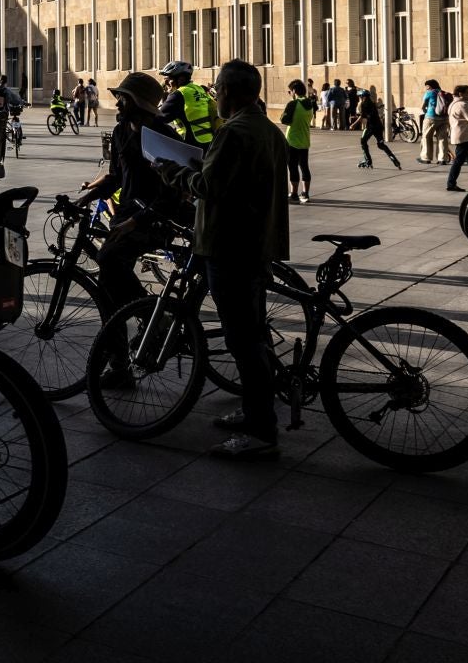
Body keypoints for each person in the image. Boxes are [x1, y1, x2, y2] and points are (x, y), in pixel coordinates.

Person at [156, 59, 288, 461]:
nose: (213, 96)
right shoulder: (267, 130)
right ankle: (252, 410)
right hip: (256, 243)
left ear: (227, 91)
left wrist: (171, 170)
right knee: (252, 333)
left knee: (242, 339)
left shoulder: (233, 133)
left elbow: (209, 187)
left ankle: (262, 430)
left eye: (216, 89)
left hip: (229, 246)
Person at [70, 72, 190, 379]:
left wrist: (136, 221)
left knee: (108, 260)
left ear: (137, 102)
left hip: (155, 220)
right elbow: (115, 177)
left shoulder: (162, 136)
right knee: (109, 285)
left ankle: (155, 318)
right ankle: (120, 362)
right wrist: (88, 198)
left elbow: (172, 196)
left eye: (123, 98)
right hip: (126, 216)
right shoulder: (122, 130)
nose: (118, 102)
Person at [156, 60, 218, 146]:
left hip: (190, 144)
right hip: (209, 141)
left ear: (181, 79)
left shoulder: (178, 94)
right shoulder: (199, 89)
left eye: (168, 79)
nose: (166, 83)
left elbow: (159, 118)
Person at [279, 79, 316, 204]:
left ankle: (294, 193)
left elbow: (284, 119)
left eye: (290, 91)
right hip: (305, 139)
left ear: (294, 91)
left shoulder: (293, 104)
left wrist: (291, 101)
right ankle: (305, 193)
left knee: (293, 167)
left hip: (292, 140)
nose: (290, 93)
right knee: (304, 166)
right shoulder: (310, 103)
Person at [355, 86, 402, 170]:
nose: (359, 98)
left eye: (360, 97)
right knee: (381, 145)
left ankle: (368, 161)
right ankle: (394, 160)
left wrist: (353, 124)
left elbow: (362, 116)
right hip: (379, 126)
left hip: (370, 127)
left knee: (363, 141)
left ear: (363, 97)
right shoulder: (372, 103)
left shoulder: (363, 104)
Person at [417, 78, 448, 166]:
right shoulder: (443, 92)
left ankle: (426, 158)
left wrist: (426, 111)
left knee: (426, 137)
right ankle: (442, 159)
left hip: (431, 118)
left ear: (429, 86)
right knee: (442, 138)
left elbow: (422, 106)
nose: (426, 88)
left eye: (426, 86)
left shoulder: (429, 92)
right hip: (444, 118)